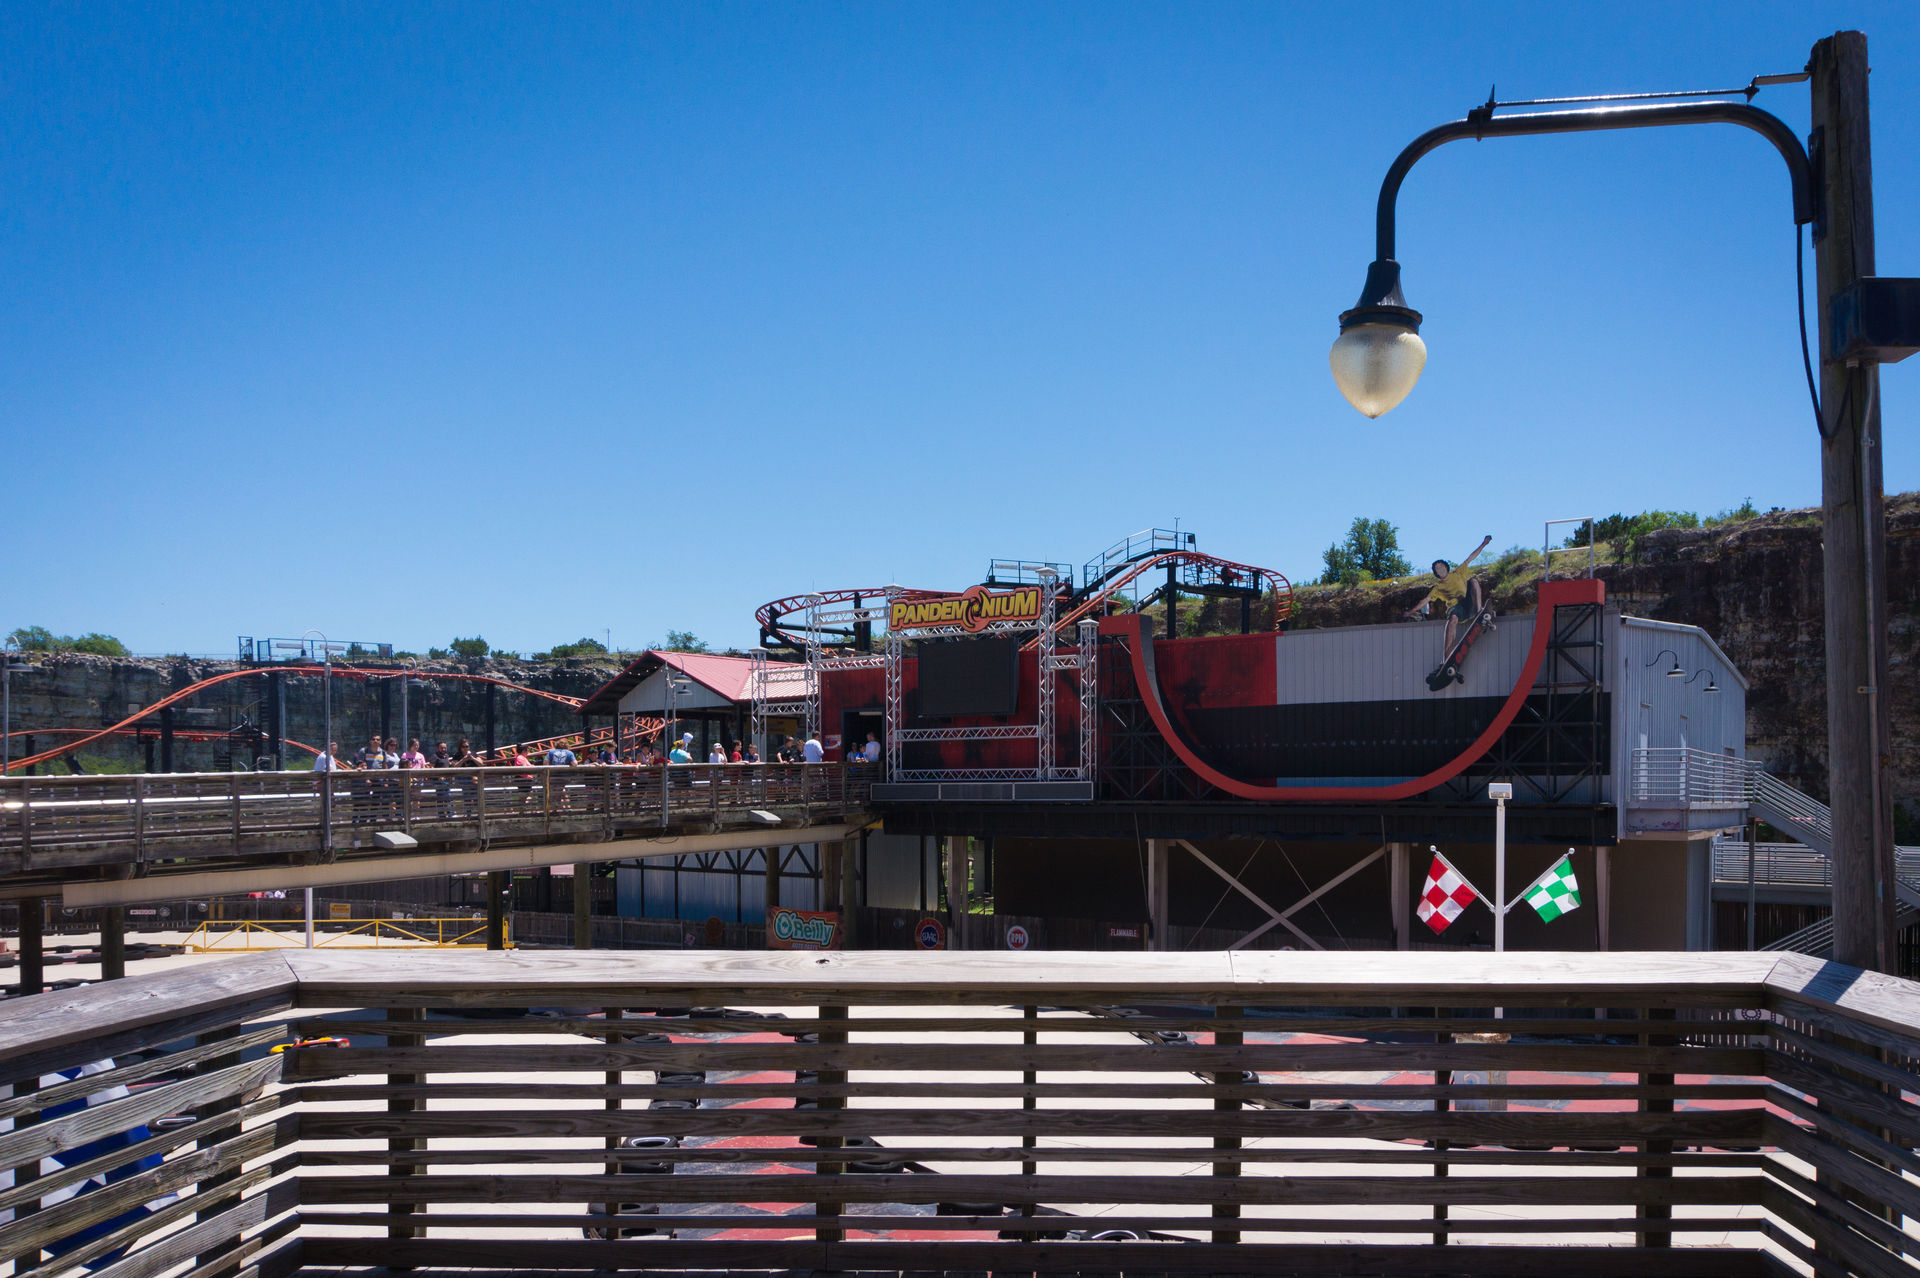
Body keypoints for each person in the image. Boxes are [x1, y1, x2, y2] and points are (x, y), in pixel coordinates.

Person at [1404, 555, 1489, 656]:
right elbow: (1426, 600)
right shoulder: (1438, 587)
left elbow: (1470, 558)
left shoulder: (1458, 572)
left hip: (1469, 604)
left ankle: (1479, 614)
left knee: (1473, 581)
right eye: (1437, 569)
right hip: (1456, 608)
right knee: (1452, 619)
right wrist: (1411, 611)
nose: (1440, 569)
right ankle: (1447, 656)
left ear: (1446, 567)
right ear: (1436, 573)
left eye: (1441, 566)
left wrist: (1483, 545)